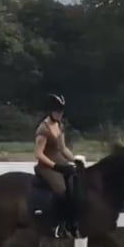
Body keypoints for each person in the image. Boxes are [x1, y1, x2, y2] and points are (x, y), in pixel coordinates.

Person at [33, 93, 81, 238]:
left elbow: (62, 148)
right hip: (46, 166)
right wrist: (56, 167)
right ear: (51, 111)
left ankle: (72, 222)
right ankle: (57, 224)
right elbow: (38, 154)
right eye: (57, 111)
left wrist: (75, 161)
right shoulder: (43, 129)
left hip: (60, 162)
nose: (60, 114)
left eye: (61, 112)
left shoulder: (59, 125)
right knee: (61, 190)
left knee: (76, 184)